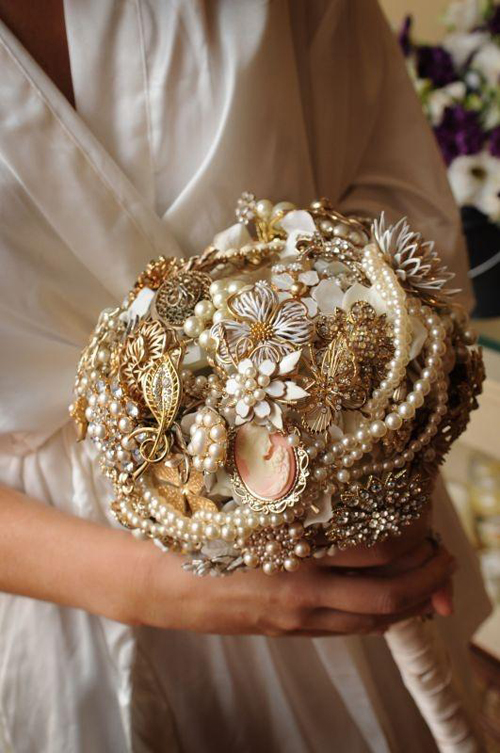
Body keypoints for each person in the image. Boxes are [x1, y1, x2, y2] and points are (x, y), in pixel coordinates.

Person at [0, 1, 490, 751]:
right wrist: (157, 585)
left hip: (339, 490)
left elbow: (399, 199)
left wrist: (371, 448)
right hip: (62, 585)